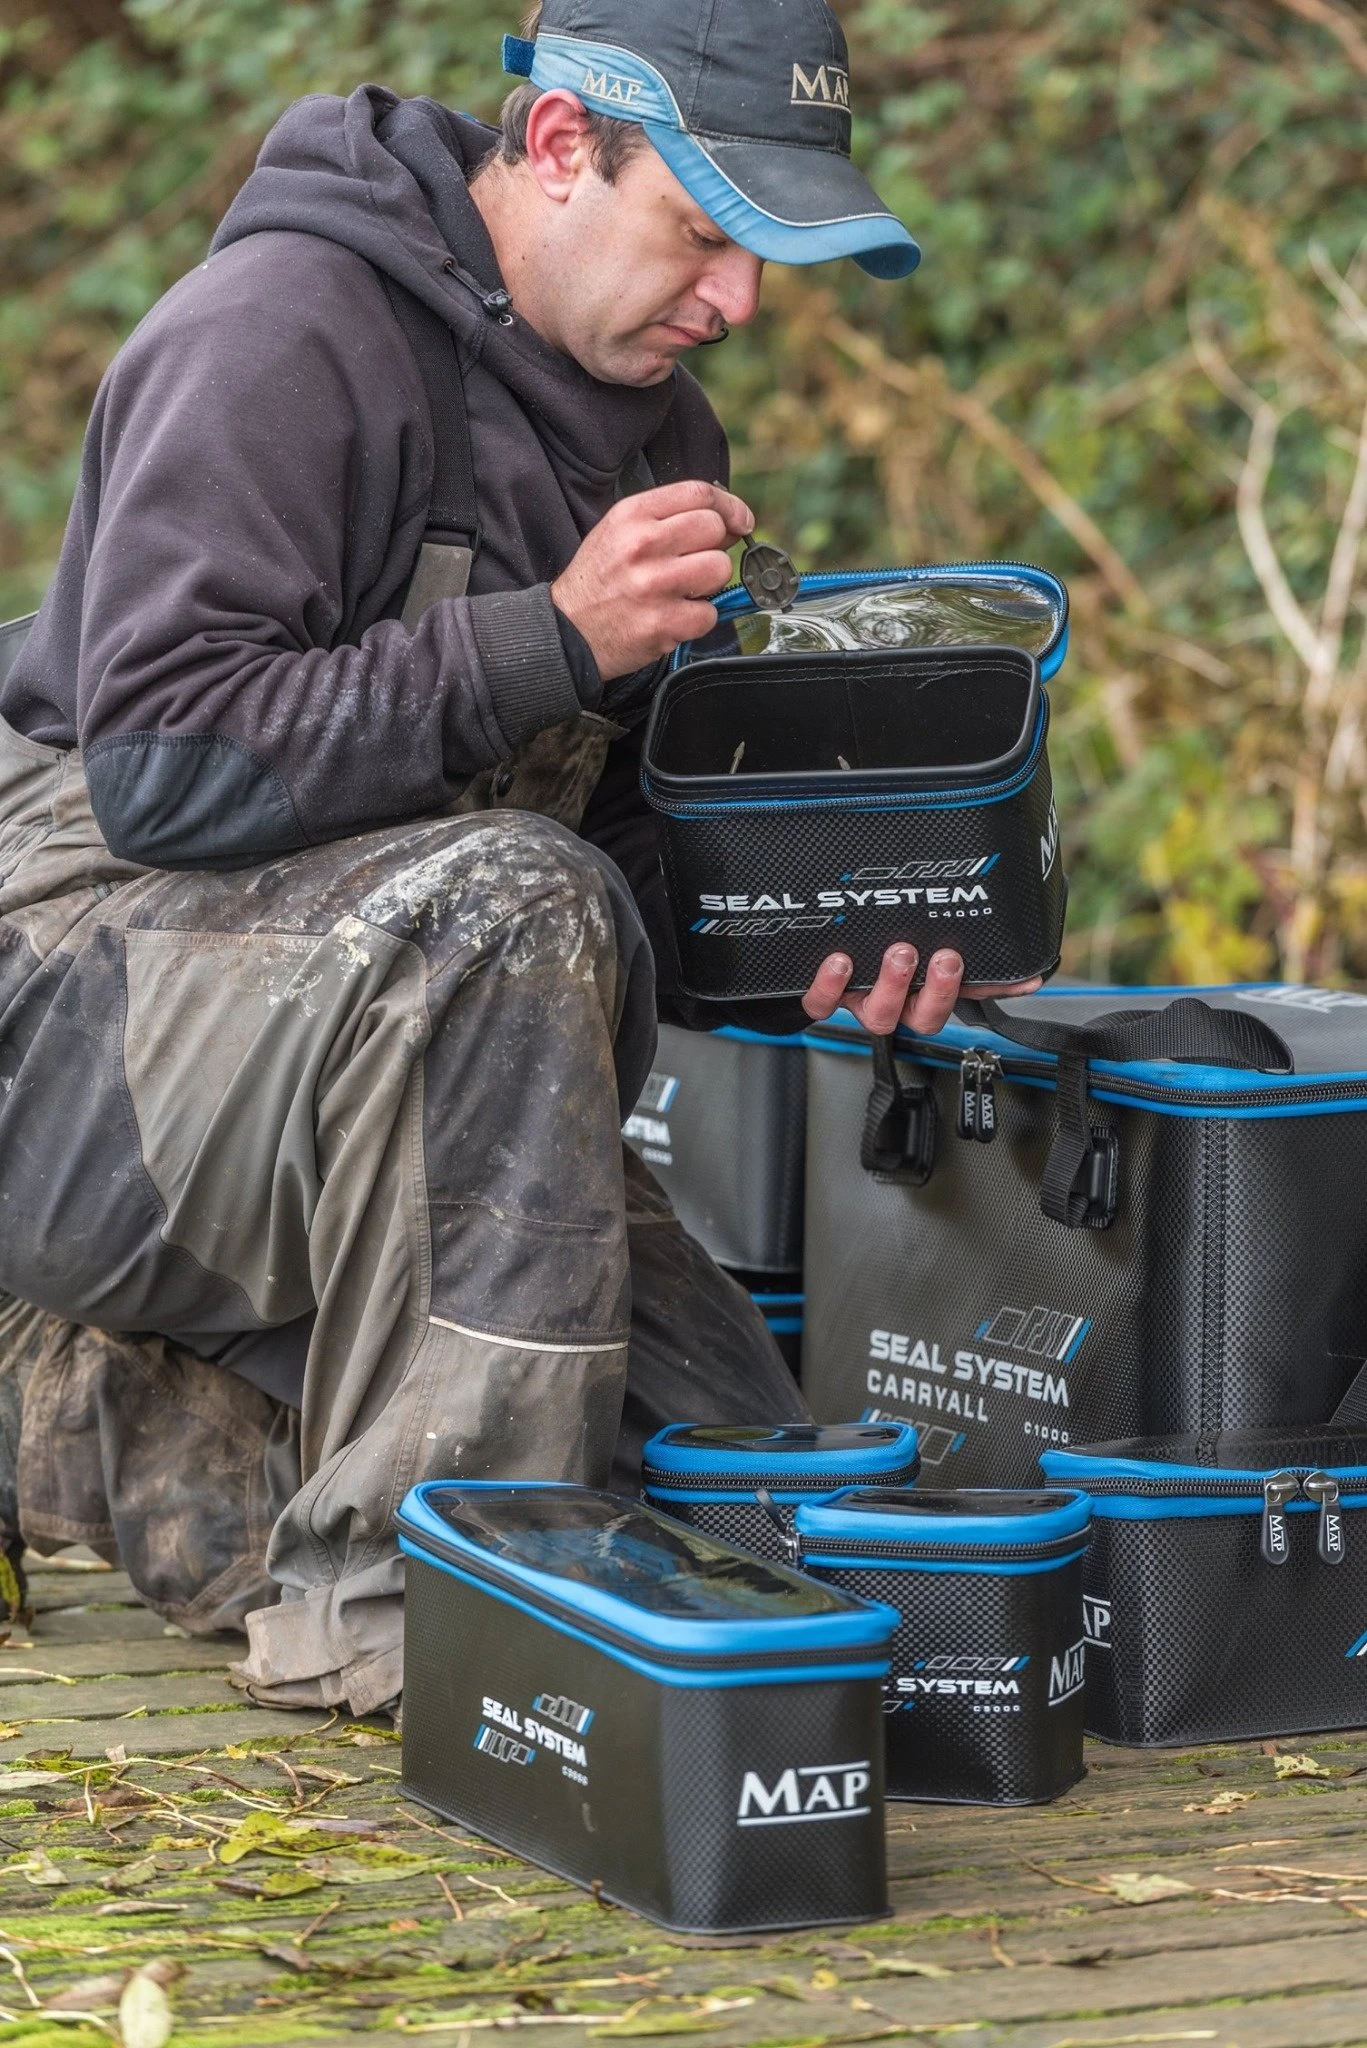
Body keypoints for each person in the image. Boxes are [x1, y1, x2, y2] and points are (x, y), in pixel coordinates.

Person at [0, 0, 1038, 1715]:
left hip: (405, 1037)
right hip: (68, 1033)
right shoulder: (277, 334)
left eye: (765, 258)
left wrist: (825, 933)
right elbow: (169, 763)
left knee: (748, 1500)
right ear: (560, 146)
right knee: (510, 905)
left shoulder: (660, 433)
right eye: (701, 234)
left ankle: (64, 1400)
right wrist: (550, 636)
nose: (735, 303)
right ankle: (420, 1622)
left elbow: (612, 847)